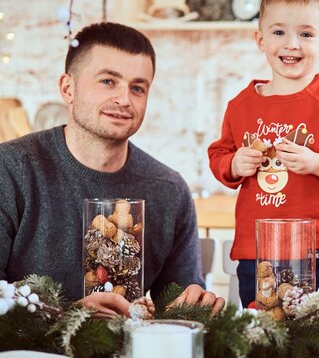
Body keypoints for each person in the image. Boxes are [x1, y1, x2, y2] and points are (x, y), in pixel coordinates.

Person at [0, 22, 224, 317]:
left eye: (137, 88)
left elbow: (175, 313)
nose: (124, 99)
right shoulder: (12, 169)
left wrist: (195, 307)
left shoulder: (169, 191)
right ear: (68, 88)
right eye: (108, 81)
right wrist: (68, 316)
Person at [208, 0, 319, 308]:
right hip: (255, 255)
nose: (291, 44)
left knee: (315, 335)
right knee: (263, 335)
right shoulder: (240, 105)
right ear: (260, 39)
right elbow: (219, 155)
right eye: (279, 32)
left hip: (315, 252)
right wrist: (233, 164)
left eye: (306, 34)